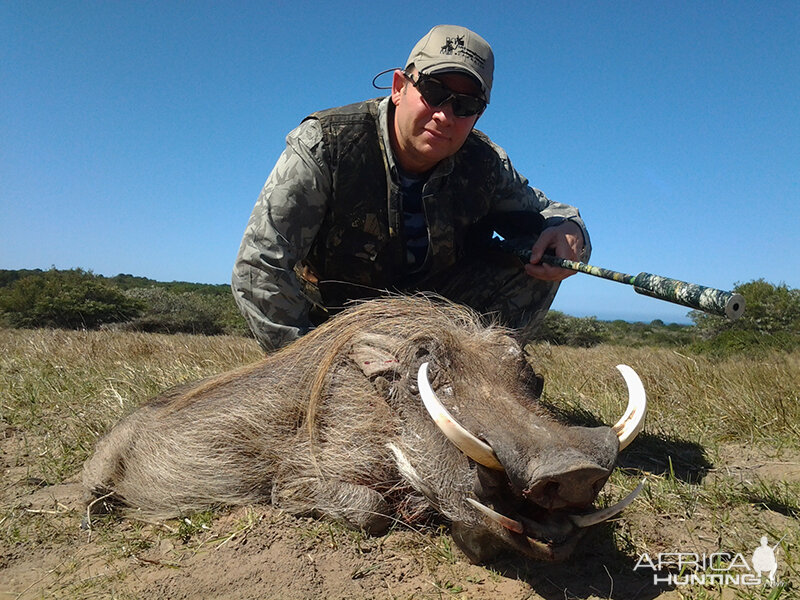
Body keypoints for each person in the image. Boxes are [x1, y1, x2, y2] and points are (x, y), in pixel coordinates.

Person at [233, 25, 590, 351]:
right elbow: (259, 266)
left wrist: (571, 231)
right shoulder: (325, 145)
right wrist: (312, 365)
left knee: (537, 255)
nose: (445, 115)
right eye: (434, 91)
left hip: (436, 320)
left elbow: (549, 215)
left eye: (466, 105)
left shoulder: (486, 164)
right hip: (333, 329)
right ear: (399, 87)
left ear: (478, 115)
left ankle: (476, 379)